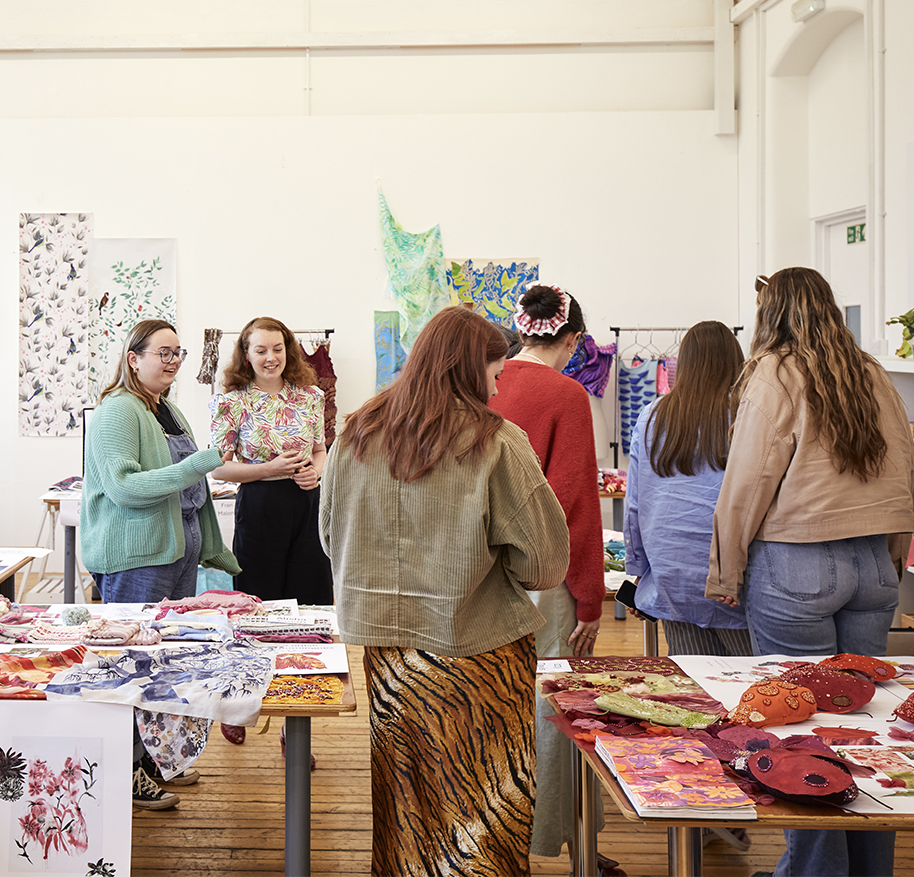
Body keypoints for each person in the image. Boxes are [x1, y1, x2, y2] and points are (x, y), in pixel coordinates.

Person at [321, 305, 568, 876]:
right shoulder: (498, 441)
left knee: (409, 798)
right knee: (483, 806)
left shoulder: (354, 434)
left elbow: (331, 539)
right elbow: (546, 561)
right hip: (479, 654)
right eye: (495, 373)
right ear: (466, 368)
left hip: (389, 656)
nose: (497, 385)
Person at [707, 267, 914, 877]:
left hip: (798, 565)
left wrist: (726, 568)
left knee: (800, 731)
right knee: (862, 730)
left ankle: (814, 872)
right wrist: (893, 556)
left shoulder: (775, 372)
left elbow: (748, 478)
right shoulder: (870, 371)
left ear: (772, 315)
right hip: (871, 563)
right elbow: (906, 468)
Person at [81, 318, 240, 811]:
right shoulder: (116, 412)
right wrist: (201, 463)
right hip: (137, 559)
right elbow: (125, 487)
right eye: (162, 353)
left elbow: (188, 488)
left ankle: (149, 762)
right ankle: (124, 774)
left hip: (174, 552)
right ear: (134, 357)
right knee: (131, 667)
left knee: (163, 664)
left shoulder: (166, 409)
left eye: (178, 353)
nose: (172, 361)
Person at [486, 283, 609, 868]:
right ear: (574, 339)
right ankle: (545, 834)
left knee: (490, 697)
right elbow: (575, 504)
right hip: (542, 574)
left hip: (478, 573)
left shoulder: (484, 383)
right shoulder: (566, 395)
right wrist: (590, 597)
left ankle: (490, 826)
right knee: (550, 698)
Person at [624, 321, 753, 656]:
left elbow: (635, 504)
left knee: (695, 687)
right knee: (751, 686)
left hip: (672, 575)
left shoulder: (652, 416)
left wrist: (638, 571)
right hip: (730, 581)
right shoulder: (744, 416)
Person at [210, 316, 331, 604]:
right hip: (259, 507)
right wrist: (269, 469)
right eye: (261, 350)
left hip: (308, 504)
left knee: (311, 595)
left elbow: (320, 451)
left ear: (288, 351)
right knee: (259, 598)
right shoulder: (231, 402)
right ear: (247, 355)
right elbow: (217, 468)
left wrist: (314, 472)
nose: (271, 358)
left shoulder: (311, 396)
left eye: (278, 349)